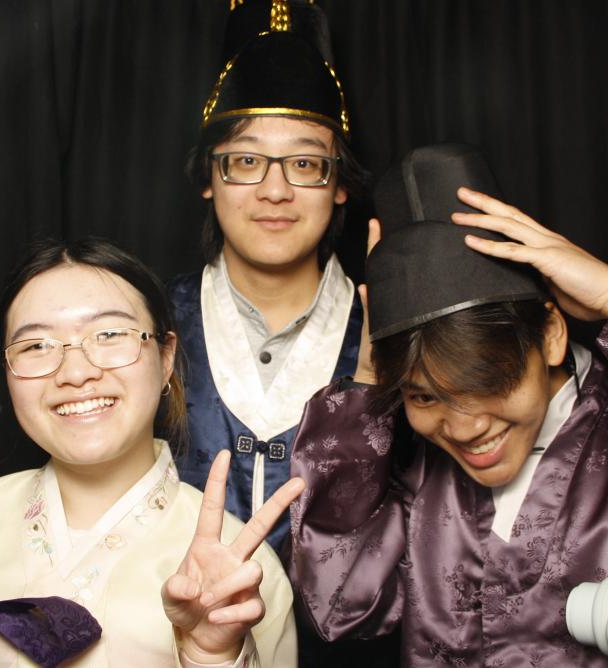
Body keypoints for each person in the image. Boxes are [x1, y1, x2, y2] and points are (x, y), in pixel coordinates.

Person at [288, 144, 608, 666]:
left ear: (551, 334)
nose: (464, 428)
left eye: (488, 381)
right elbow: (336, 608)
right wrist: (367, 379)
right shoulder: (417, 470)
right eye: (423, 395)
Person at [0, 239, 301, 667]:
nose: (75, 373)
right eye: (37, 345)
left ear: (165, 358)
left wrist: (211, 657)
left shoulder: (240, 571)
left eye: (110, 335)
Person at [169, 0, 368, 552]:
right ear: (209, 176)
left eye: (304, 164)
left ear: (340, 183)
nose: (275, 191)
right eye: (246, 161)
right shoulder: (151, 322)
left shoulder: (390, 331)